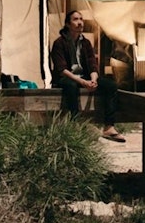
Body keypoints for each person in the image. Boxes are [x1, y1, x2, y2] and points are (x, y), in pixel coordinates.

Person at [49, 9, 125, 141]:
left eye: (81, 19)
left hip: (84, 76)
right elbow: (62, 69)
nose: (80, 22)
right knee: (71, 86)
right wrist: (82, 82)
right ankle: (75, 124)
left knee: (110, 85)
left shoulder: (85, 43)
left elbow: (92, 64)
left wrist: (93, 80)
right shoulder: (59, 43)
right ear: (67, 24)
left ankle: (109, 126)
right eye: (75, 19)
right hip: (67, 77)